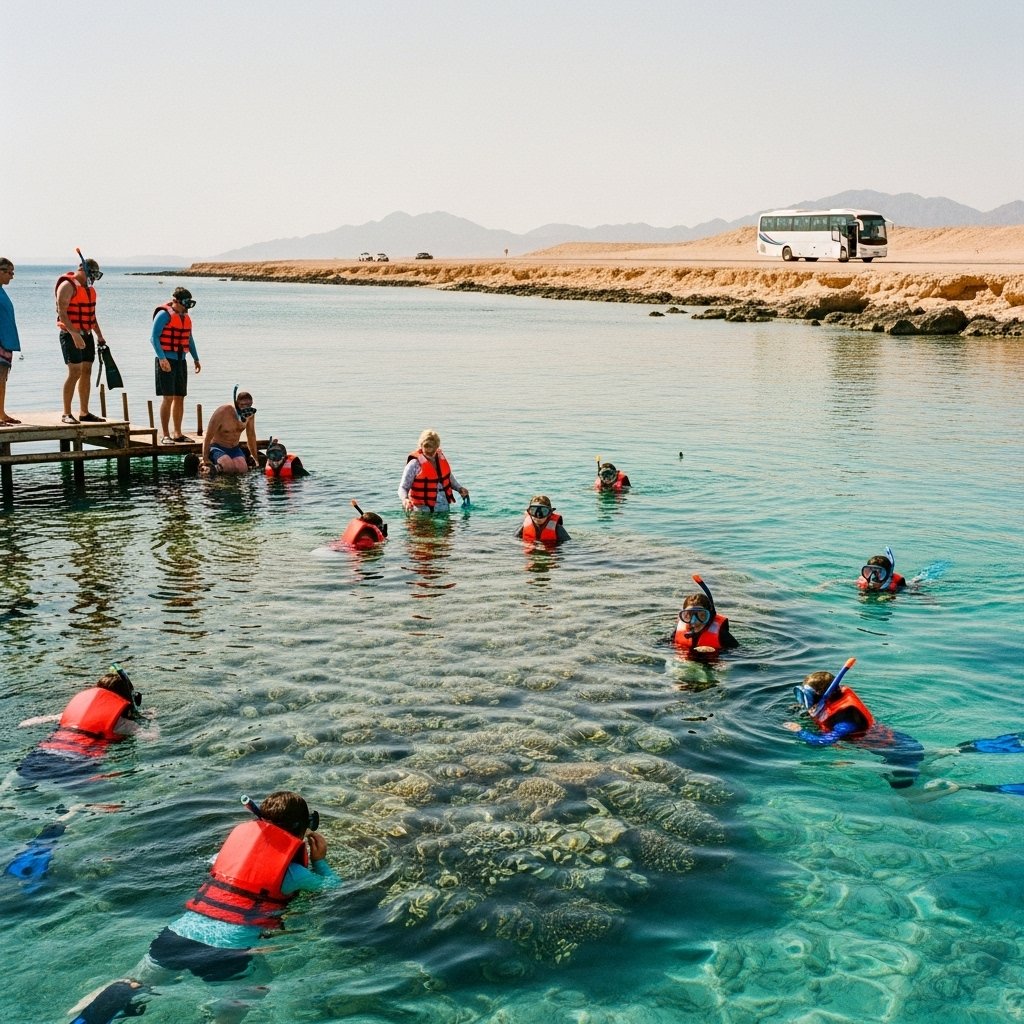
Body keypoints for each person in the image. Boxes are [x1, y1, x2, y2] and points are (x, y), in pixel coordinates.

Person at [69, 791, 339, 1024]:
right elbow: (331, 886)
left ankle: (82, 1013)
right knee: (258, 985)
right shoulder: (294, 874)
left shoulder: (225, 855)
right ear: (301, 828)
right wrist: (320, 860)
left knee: (134, 982)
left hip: (175, 938)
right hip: (224, 953)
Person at [783, 658, 924, 790]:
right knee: (917, 772)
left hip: (899, 751)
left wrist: (799, 731)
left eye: (807, 697)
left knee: (905, 790)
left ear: (824, 695)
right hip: (899, 745)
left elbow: (823, 742)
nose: (805, 702)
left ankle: (936, 792)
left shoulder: (845, 718)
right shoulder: (829, 702)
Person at [16, 665, 152, 784]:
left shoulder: (72, 714)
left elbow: (26, 723)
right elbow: (151, 738)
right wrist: (149, 719)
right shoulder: (123, 724)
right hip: (77, 763)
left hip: (42, 754)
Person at [56, 253, 108, 424]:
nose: (93, 279)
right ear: (83, 270)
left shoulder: (89, 290)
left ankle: (84, 412)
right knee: (75, 372)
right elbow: (62, 313)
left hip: (87, 334)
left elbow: (91, 315)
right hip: (70, 334)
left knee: (86, 371)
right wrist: (74, 334)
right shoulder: (67, 286)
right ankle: (66, 413)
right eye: (92, 275)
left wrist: (99, 335)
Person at [151, 286, 201, 444]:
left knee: (180, 397)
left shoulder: (185, 317)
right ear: (176, 301)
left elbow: (189, 338)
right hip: (166, 360)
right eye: (185, 303)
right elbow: (154, 338)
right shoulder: (164, 315)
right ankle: (165, 434)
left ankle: (177, 433)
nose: (187, 307)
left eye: (189, 303)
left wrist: (196, 358)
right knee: (168, 397)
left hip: (181, 360)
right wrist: (162, 358)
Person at [398, 429, 469, 512]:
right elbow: (403, 487)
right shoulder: (414, 464)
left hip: (443, 509)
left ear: (437, 446)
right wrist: (405, 499)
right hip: (422, 511)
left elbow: (448, 477)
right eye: (426, 446)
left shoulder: (440, 459)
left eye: (432, 447)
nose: (429, 450)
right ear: (421, 445)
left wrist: (460, 489)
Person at [673, 574, 738, 654]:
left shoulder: (721, 634)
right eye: (689, 615)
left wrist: (717, 651)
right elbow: (664, 645)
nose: (694, 621)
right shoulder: (679, 630)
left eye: (701, 615)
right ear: (684, 616)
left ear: (710, 617)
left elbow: (741, 653)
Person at [201, 387, 259, 475]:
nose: (246, 408)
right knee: (228, 466)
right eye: (242, 405)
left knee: (242, 469)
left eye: (249, 405)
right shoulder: (223, 412)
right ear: (236, 403)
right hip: (217, 447)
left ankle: (222, 468)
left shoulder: (250, 414)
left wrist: (255, 458)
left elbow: (251, 436)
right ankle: (214, 468)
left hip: (234, 448)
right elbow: (207, 436)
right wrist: (205, 459)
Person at [0, 257, 21, 424]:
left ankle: (1, 413)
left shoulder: (1, 291)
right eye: (9, 272)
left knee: (2, 379)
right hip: (1, 341)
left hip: (5, 341)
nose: (12, 276)